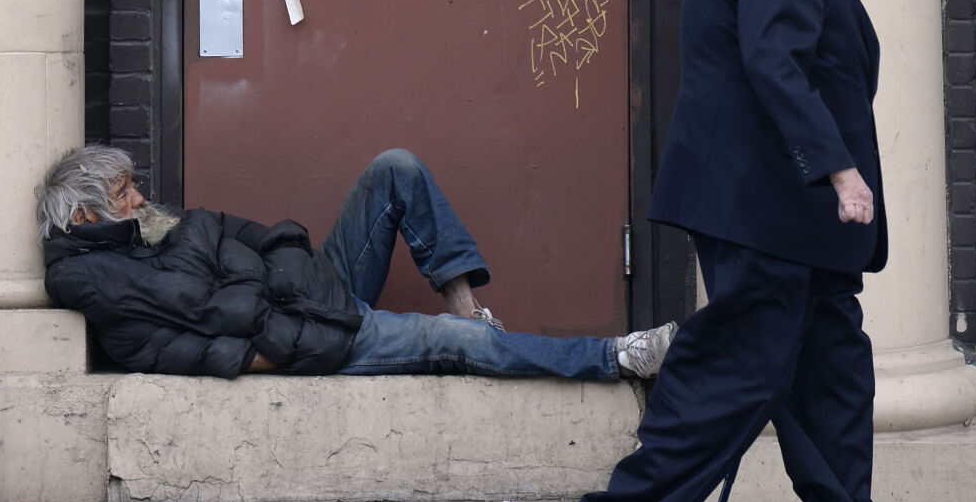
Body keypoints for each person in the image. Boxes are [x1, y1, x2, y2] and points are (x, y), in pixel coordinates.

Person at [552, 0, 948, 502]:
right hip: (765, 210)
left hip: (794, 223)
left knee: (831, 387)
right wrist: (837, 167)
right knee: (733, 373)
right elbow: (774, 59)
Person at [38, 144, 674, 384]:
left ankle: (470, 309)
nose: (140, 197)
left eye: (132, 185)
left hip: (315, 287)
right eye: (123, 193)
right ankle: (614, 358)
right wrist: (293, 346)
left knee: (396, 168)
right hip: (317, 335)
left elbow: (253, 233)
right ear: (86, 216)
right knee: (452, 344)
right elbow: (191, 350)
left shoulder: (149, 229)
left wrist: (286, 264)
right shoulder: (103, 284)